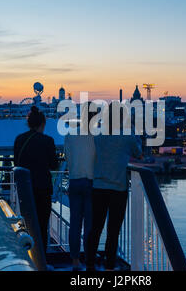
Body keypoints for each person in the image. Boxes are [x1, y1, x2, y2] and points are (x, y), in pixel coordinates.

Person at [86, 104, 143, 271]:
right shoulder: (127, 136)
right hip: (118, 187)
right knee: (113, 231)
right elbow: (138, 153)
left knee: (95, 228)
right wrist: (133, 130)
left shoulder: (99, 134)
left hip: (98, 186)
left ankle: (89, 265)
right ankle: (109, 266)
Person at [14, 106, 58, 253]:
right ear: (43, 124)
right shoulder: (48, 141)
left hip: (25, 189)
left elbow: (17, 163)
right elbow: (54, 165)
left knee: (27, 223)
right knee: (42, 224)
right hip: (43, 188)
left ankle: (29, 256)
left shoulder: (19, 139)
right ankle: (41, 259)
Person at [64, 106, 95, 270]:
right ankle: (89, 260)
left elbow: (67, 157)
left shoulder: (70, 134)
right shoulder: (97, 135)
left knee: (75, 224)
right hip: (91, 182)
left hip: (74, 181)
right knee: (90, 225)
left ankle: (75, 261)